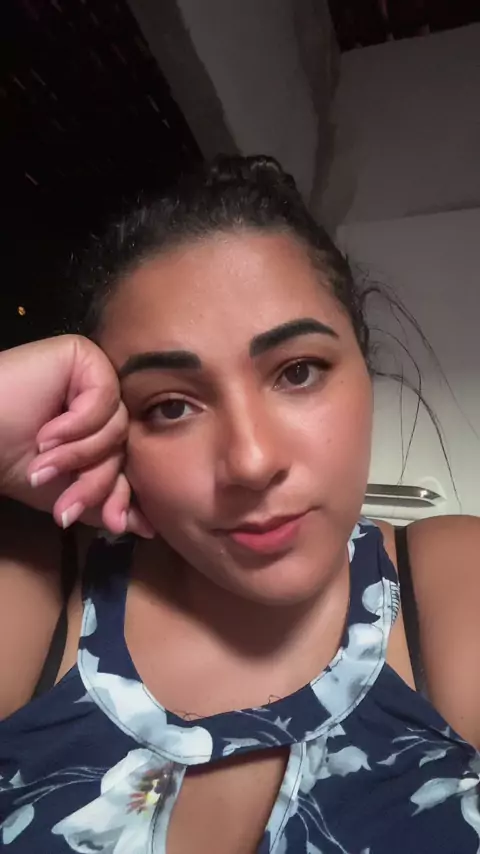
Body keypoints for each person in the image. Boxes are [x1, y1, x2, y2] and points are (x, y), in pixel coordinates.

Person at [0, 155, 479, 853]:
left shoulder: (453, 589)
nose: (251, 462)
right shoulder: (38, 595)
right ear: (109, 429)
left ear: (364, 365)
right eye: (170, 407)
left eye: (298, 371)